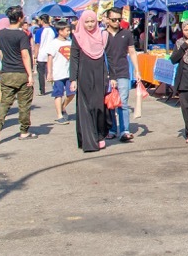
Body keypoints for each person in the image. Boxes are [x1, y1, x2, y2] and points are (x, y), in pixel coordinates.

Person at [0, 5, 35, 144]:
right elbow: (25, 55)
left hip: (7, 72)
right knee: (24, 104)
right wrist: (30, 75)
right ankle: (24, 131)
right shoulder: (22, 35)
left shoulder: (1, 34)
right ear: (20, 18)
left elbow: (0, 53)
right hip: (21, 72)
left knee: (4, 103)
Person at [71, 9, 110, 152]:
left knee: (98, 106)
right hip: (84, 76)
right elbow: (74, 59)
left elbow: (108, 57)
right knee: (86, 108)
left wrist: (110, 76)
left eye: (92, 21)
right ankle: (90, 141)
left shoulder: (102, 35)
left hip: (99, 74)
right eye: (86, 22)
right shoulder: (77, 37)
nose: (89, 24)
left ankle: (100, 135)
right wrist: (73, 79)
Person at [104, 8, 137, 141]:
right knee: (111, 103)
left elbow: (132, 52)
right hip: (107, 73)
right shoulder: (103, 35)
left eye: (119, 19)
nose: (117, 22)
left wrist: (137, 70)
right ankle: (112, 129)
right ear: (107, 19)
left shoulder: (127, 34)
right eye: (114, 19)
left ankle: (124, 130)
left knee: (123, 102)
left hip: (123, 71)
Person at [44, 21, 75, 123]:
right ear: (60, 31)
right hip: (57, 74)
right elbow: (50, 59)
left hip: (69, 73)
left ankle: (63, 106)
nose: (69, 32)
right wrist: (49, 73)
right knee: (58, 94)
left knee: (71, 93)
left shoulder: (70, 42)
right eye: (67, 30)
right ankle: (59, 115)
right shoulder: (53, 43)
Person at [34, 15, 56, 96]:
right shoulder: (53, 30)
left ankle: (42, 90)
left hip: (41, 54)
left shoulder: (39, 31)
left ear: (42, 21)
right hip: (51, 54)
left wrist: (35, 56)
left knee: (41, 73)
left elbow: (37, 44)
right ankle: (54, 88)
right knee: (51, 71)